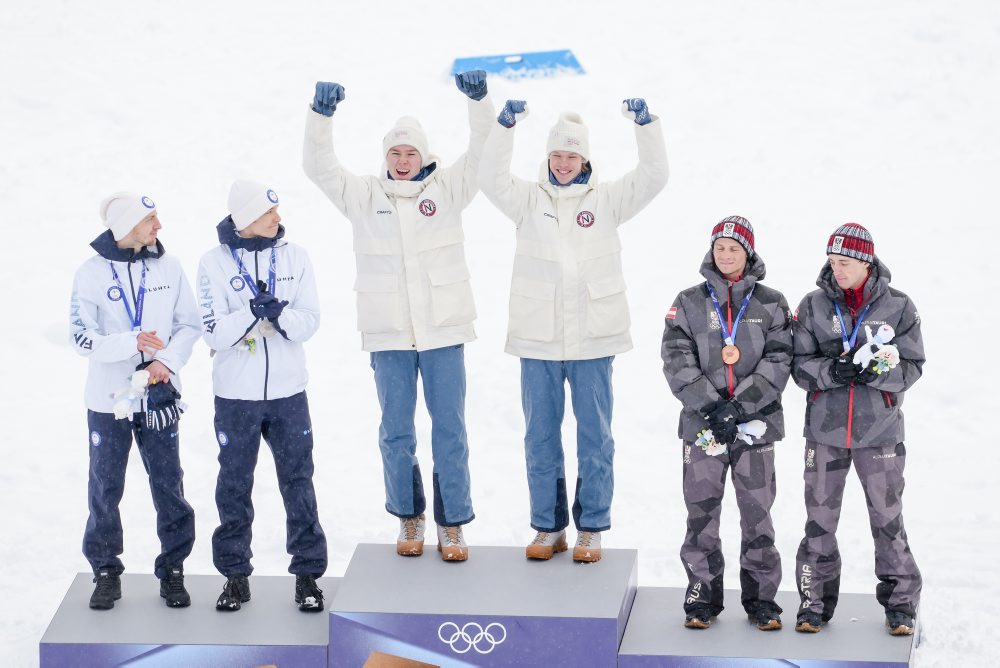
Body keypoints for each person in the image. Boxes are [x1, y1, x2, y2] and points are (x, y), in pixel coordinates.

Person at [303, 71, 493, 562]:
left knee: (450, 429)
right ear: (385, 158)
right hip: (389, 334)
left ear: (425, 156)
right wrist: (320, 117)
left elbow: (483, 152)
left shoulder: (449, 190)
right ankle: (409, 516)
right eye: (395, 154)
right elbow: (319, 167)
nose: (403, 161)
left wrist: (480, 103)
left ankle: (452, 525)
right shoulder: (365, 196)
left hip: (443, 332)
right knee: (396, 431)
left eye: (410, 153)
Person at [478, 97, 669, 562]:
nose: (563, 164)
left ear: (586, 160)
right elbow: (489, 178)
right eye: (557, 156)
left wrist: (646, 126)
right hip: (538, 339)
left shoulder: (606, 200)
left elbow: (653, 177)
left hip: (592, 339)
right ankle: (548, 527)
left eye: (572, 156)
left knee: (595, 436)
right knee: (540, 436)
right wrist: (504, 126)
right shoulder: (527, 199)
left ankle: (591, 528)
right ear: (547, 158)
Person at [197, 180, 327, 612]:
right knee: (234, 484)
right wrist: (250, 317)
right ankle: (235, 576)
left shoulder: (296, 257)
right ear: (247, 218)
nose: (277, 218)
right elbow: (212, 330)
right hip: (236, 396)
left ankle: (307, 574)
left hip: (289, 393)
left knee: (298, 479)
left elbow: (310, 320)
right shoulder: (212, 263)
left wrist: (281, 315)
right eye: (268, 212)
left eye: (277, 210)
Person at [790, 223, 923, 636]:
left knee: (887, 519)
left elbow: (913, 366)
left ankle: (900, 605)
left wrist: (877, 374)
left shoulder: (899, 306)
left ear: (866, 262)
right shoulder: (813, 305)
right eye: (832, 262)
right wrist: (833, 371)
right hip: (825, 434)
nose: (837, 270)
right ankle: (814, 603)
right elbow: (797, 366)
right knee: (819, 520)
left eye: (845, 263)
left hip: (879, 433)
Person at [661, 216, 792, 630]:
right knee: (701, 513)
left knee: (758, 514)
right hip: (703, 427)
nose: (726, 254)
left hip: (755, 426)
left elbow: (779, 360)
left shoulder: (771, 303)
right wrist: (713, 406)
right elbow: (676, 359)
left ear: (748, 252)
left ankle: (761, 599)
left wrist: (740, 407)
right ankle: (702, 596)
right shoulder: (688, 301)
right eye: (720, 247)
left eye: (734, 248)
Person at [70, 192, 199, 610]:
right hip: (109, 402)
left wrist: (165, 360)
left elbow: (189, 324)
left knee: (168, 484)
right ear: (126, 226)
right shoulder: (90, 274)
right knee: (105, 487)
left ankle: (173, 569)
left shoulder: (170, 266)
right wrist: (130, 344)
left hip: (159, 396)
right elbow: (81, 337)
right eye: (150, 220)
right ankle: (106, 571)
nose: (159, 227)